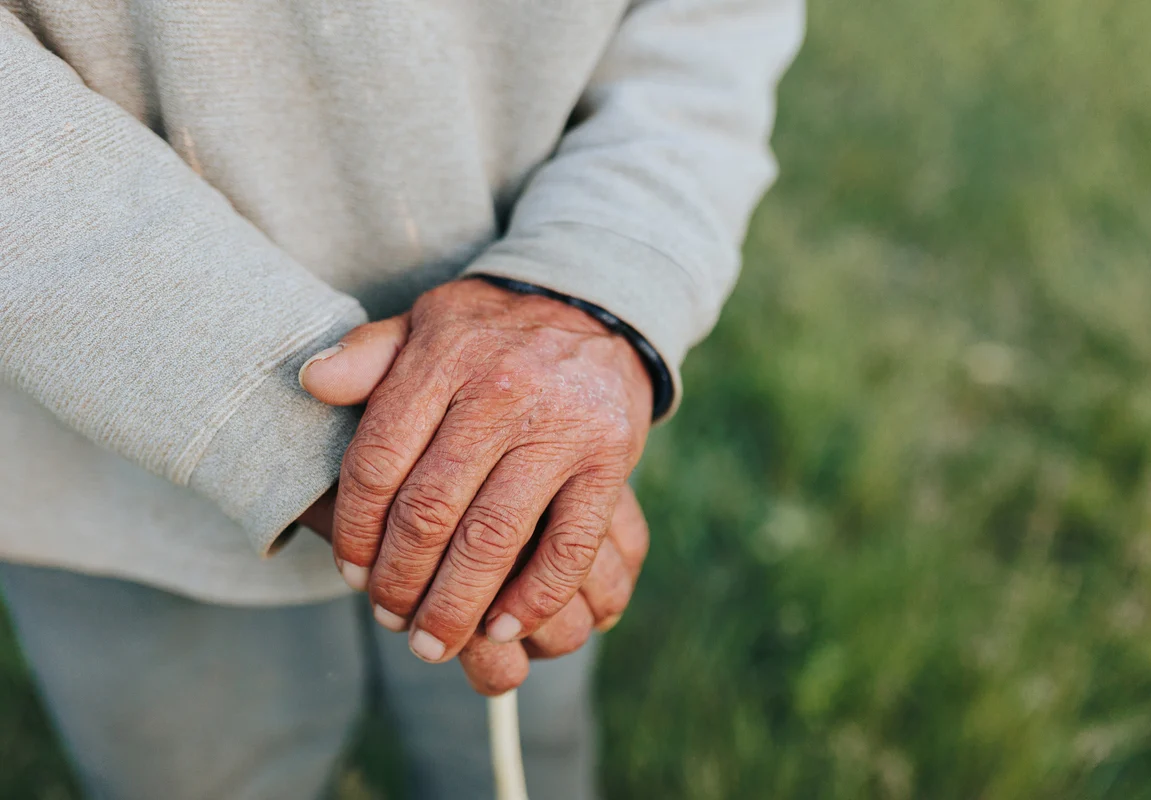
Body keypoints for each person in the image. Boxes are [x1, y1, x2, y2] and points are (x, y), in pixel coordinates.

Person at [0, 0, 802, 797]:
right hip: (104, 463)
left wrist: (589, 286)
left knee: (524, 757)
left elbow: (713, 26)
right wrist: (270, 403)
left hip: (536, 428)